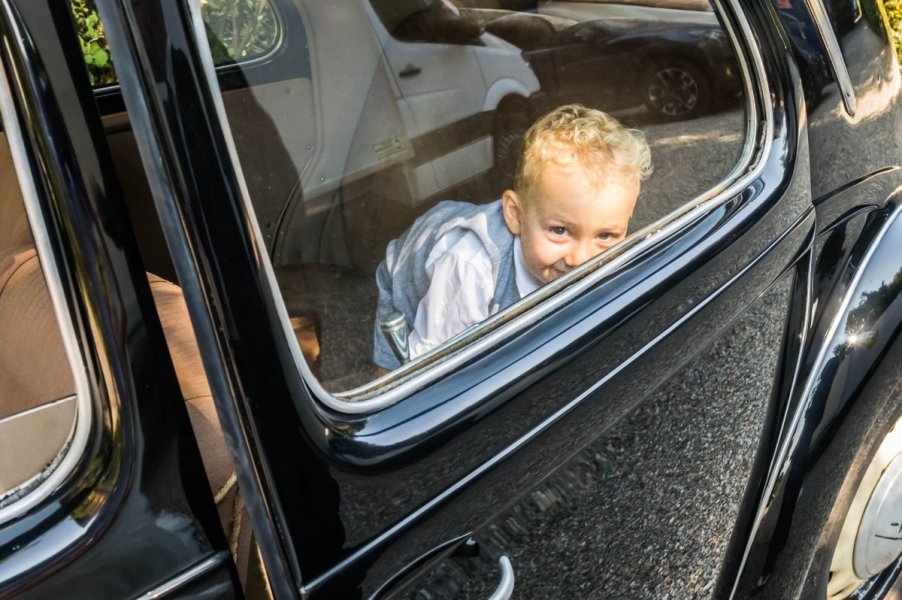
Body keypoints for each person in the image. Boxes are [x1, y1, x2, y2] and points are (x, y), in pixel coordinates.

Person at [373, 104, 652, 369]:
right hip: (407, 274)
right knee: (393, 373)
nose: (581, 258)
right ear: (516, 215)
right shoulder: (470, 268)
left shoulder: (565, 255)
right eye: (559, 230)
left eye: (605, 234)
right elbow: (436, 366)